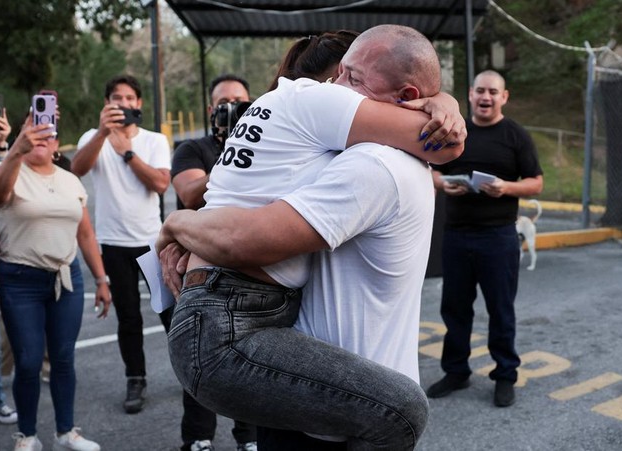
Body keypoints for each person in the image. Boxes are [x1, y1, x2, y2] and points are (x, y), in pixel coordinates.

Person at [156, 25, 464, 450]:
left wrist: (442, 102)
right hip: (227, 322)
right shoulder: (328, 114)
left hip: (246, 318)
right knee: (404, 412)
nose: (341, 86)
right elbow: (445, 146)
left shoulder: (336, 141)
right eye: (339, 76)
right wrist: (176, 225)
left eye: (352, 78)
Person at [0, 116, 112, 451]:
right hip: (20, 280)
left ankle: (65, 432)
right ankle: (26, 435)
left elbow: (85, 232)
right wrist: (14, 151)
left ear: (57, 146)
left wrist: (101, 278)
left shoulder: (70, 180)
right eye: (34, 133)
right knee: (27, 361)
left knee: (63, 358)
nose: (42, 138)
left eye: (49, 135)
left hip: (67, 278)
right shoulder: (10, 173)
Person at [426, 70, 544, 408]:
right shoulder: (454, 130)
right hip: (457, 235)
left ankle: (505, 374)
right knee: (455, 309)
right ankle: (456, 371)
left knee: (500, 310)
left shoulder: (515, 135)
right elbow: (429, 166)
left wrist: (506, 187)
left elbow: (535, 182)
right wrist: (441, 183)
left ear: (504, 97)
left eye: (493, 91)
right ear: (470, 94)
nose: (486, 97)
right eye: (480, 91)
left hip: (499, 236)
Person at [72, 75, 171, 414]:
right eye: (117, 97)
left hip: (151, 242)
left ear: (138, 103)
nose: (125, 103)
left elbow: (160, 184)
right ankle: (136, 378)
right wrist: (102, 134)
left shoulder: (155, 140)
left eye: (130, 98)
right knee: (128, 318)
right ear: (107, 103)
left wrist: (126, 153)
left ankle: (190, 374)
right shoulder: (93, 137)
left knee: (171, 312)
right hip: (113, 243)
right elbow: (76, 169)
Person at [170, 74, 257, 451]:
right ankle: (198, 438)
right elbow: (189, 194)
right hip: (197, 273)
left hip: (247, 268)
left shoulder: (265, 144)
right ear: (211, 110)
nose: (232, 109)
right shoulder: (192, 148)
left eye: (240, 102)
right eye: (224, 103)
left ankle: (249, 438)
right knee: (199, 359)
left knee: (251, 359)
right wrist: (234, 154)